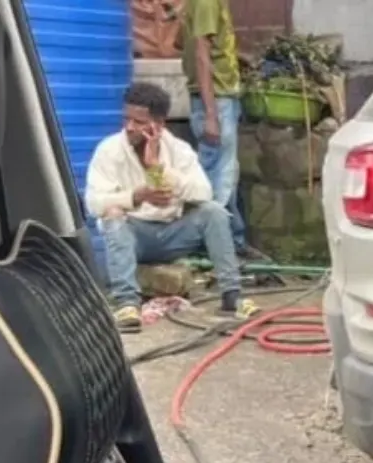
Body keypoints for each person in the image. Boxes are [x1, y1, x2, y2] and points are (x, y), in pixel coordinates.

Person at [86, 81, 256, 332]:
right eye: (127, 119)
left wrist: (158, 168)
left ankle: (231, 296)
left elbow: (204, 192)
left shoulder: (178, 149)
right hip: (136, 237)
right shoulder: (109, 150)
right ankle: (126, 303)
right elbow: (93, 203)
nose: (130, 127)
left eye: (139, 122)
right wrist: (136, 197)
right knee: (111, 215)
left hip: (173, 233)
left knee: (214, 212)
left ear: (159, 124)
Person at [180, 0, 245, 246]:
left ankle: (234, 240)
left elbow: (182, 42)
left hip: (218, 98)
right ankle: (217, 246)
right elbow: (201, 53)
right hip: (216, 100)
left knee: (226, 172)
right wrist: (211, 115)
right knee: (219, 178)